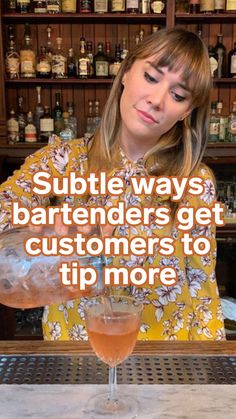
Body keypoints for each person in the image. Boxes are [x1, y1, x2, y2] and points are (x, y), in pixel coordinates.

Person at [0, 27, 225, 341]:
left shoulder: (195, 182)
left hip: (164, 363)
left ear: (186, 112)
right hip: (76, 359)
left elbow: (202, 286)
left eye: (178, 95)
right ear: (126, 72)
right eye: (150, 77)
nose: (157, 100)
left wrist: (211, 375)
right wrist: (42, 230)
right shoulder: (61, 161)